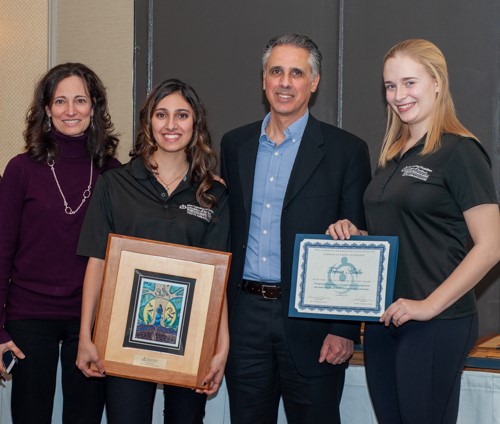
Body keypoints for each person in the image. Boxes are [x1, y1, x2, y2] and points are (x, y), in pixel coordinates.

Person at [328, 38, 500, 424]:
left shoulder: (461, 152)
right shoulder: (393, 155)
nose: (398, 95)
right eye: (390, 86)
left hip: (436, 322)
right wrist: (358, 240)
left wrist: (428, 306)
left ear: (437, 82)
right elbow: (406, 237)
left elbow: (491, 246)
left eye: (409, 82)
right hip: (385, 320)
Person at [220, 33, 371, 424]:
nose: (285, 82)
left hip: (314, 324)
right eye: (276, 71)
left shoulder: (346, 151)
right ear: (263, 80)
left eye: (296, 73)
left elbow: (356, 241)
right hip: (245, 318)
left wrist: (343, 328)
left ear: (314, 82)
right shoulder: (234, 145)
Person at [76, 78, 230, 424]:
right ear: (148, 123)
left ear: (196, 123)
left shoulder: (212, 194)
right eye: (161, 115)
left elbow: (217, 278)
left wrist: (221, 348)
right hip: (121, 339)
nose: (171, 125)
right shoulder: (115, 184)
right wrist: (86, 336)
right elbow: (96, 262)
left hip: (191, 342)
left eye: (182, 115)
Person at [0, 62, 120, 423]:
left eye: (80, 100)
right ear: (47, 109)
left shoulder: (112, 172)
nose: (70, 111)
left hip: (89, 319)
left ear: (95, 107)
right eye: (60, 101)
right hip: (28, 315)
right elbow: (2, 249)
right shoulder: (20, 169)